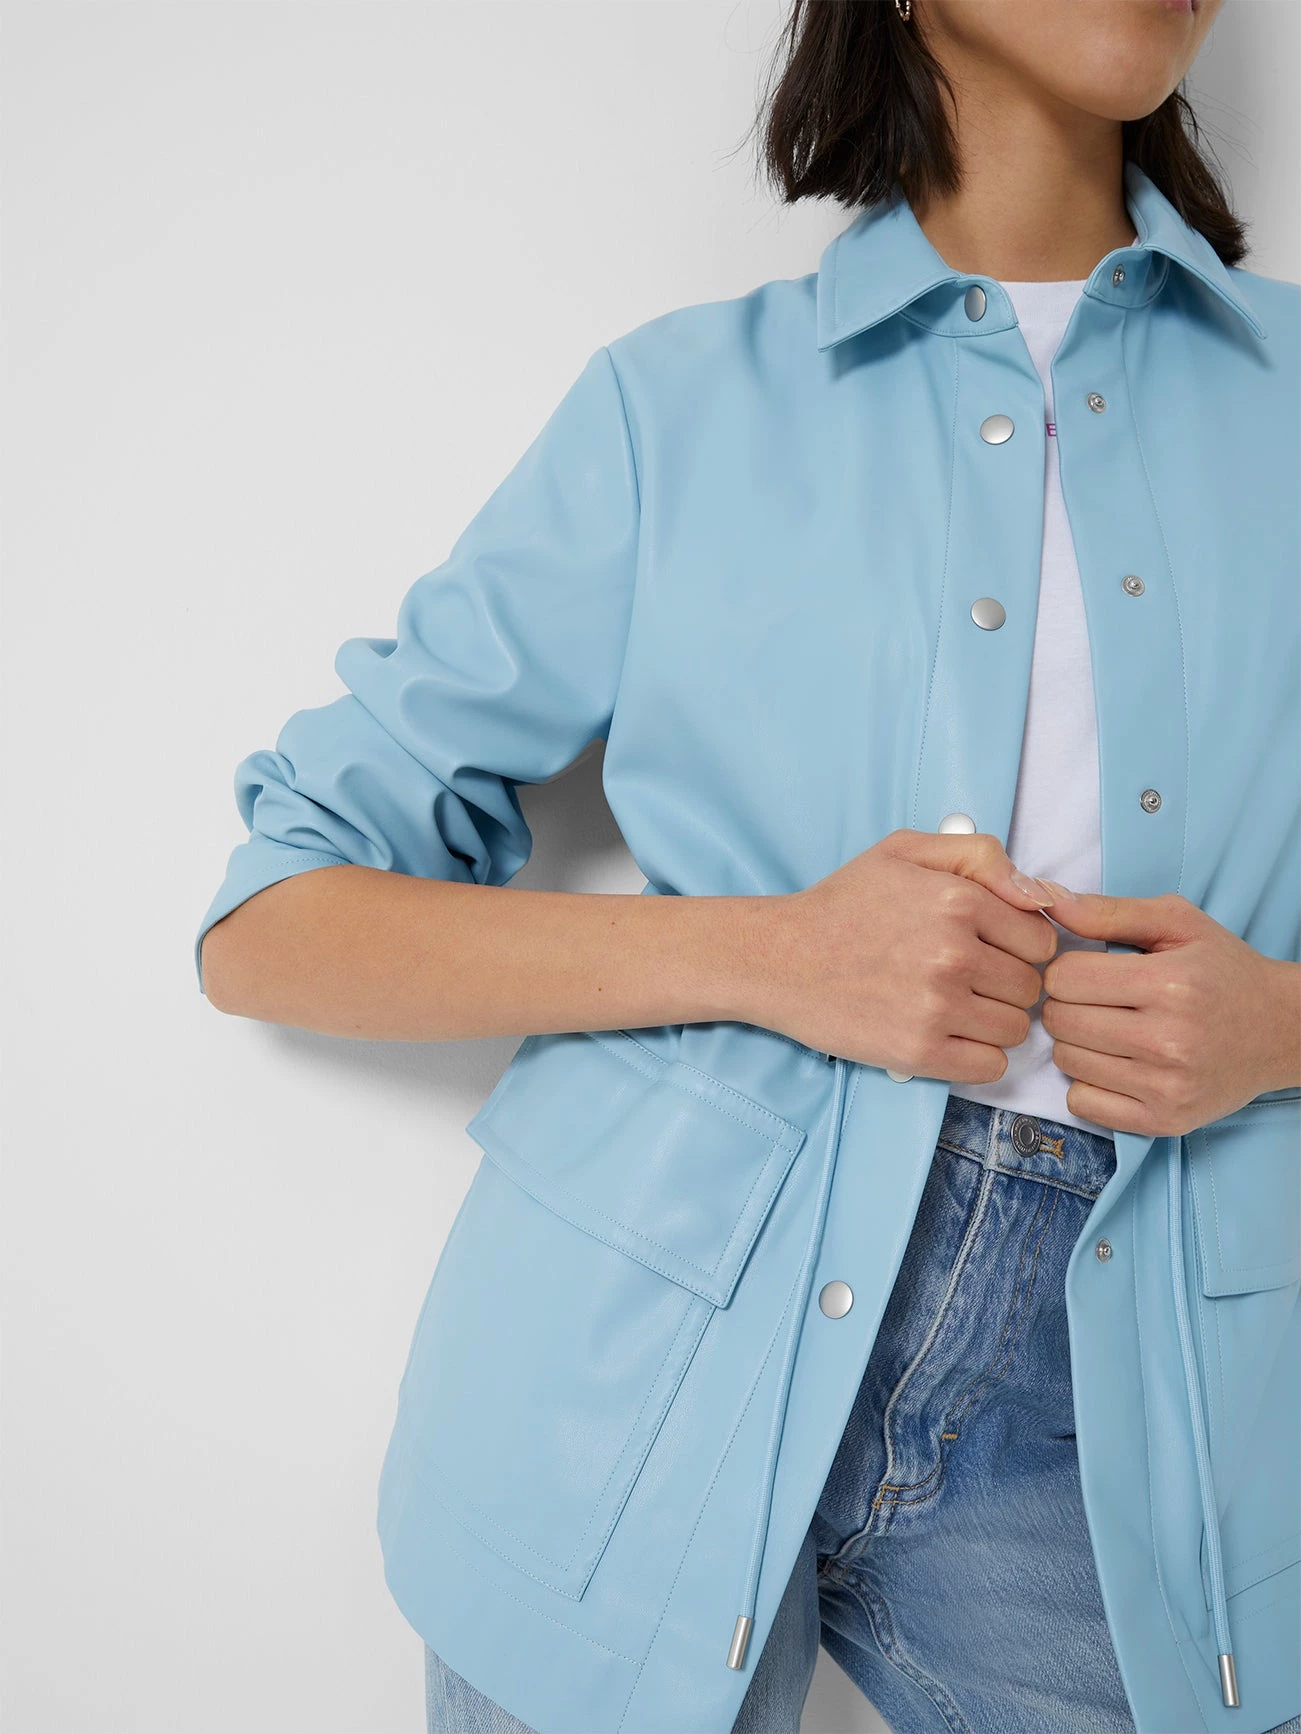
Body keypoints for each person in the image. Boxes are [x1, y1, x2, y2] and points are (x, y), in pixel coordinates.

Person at [194, 1, 1301, 1730]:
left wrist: (1284, 1024)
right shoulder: (677, 408)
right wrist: (778, 954)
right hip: (635, 1361)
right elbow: (273, 914)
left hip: (1155, 1408)